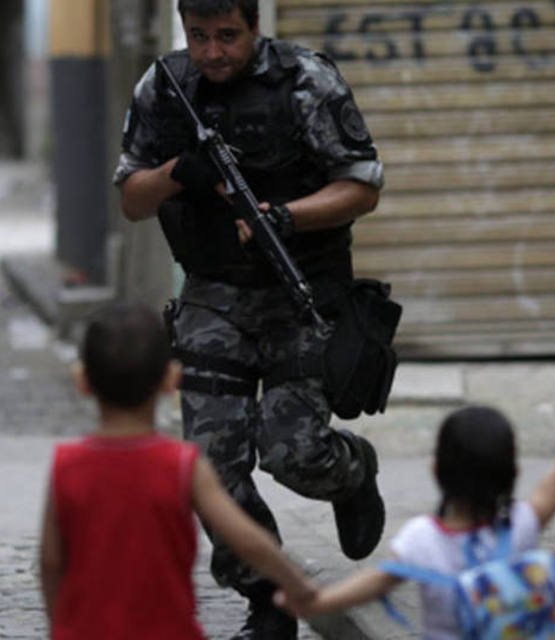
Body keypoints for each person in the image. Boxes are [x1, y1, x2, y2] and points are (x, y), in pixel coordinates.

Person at [112, 1, 385, 637]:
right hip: (214, 297)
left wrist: (285, 216)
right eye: (200, 36)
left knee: (292, 452)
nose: (213, 53)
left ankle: (352, 471)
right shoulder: (165, 87)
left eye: (228, 37)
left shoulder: (306, 81)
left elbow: (363, 185)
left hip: (302, 295)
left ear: (255, 27)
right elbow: (131, 199)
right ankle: (267, 601)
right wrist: (179, 173)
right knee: (209, 466)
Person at [38, 303, 318, 640]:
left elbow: (51, 561)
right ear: (171, 380)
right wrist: (297, 585)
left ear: (82, 381)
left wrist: (60, 625)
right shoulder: (183, 466)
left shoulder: (66, 466)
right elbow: (245, 539)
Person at [273, 404, 555, 638]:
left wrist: (314, 601)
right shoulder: (520, 526)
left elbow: (374, 584)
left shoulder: (423, 539)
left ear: (435, 472)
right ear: (513, 474)